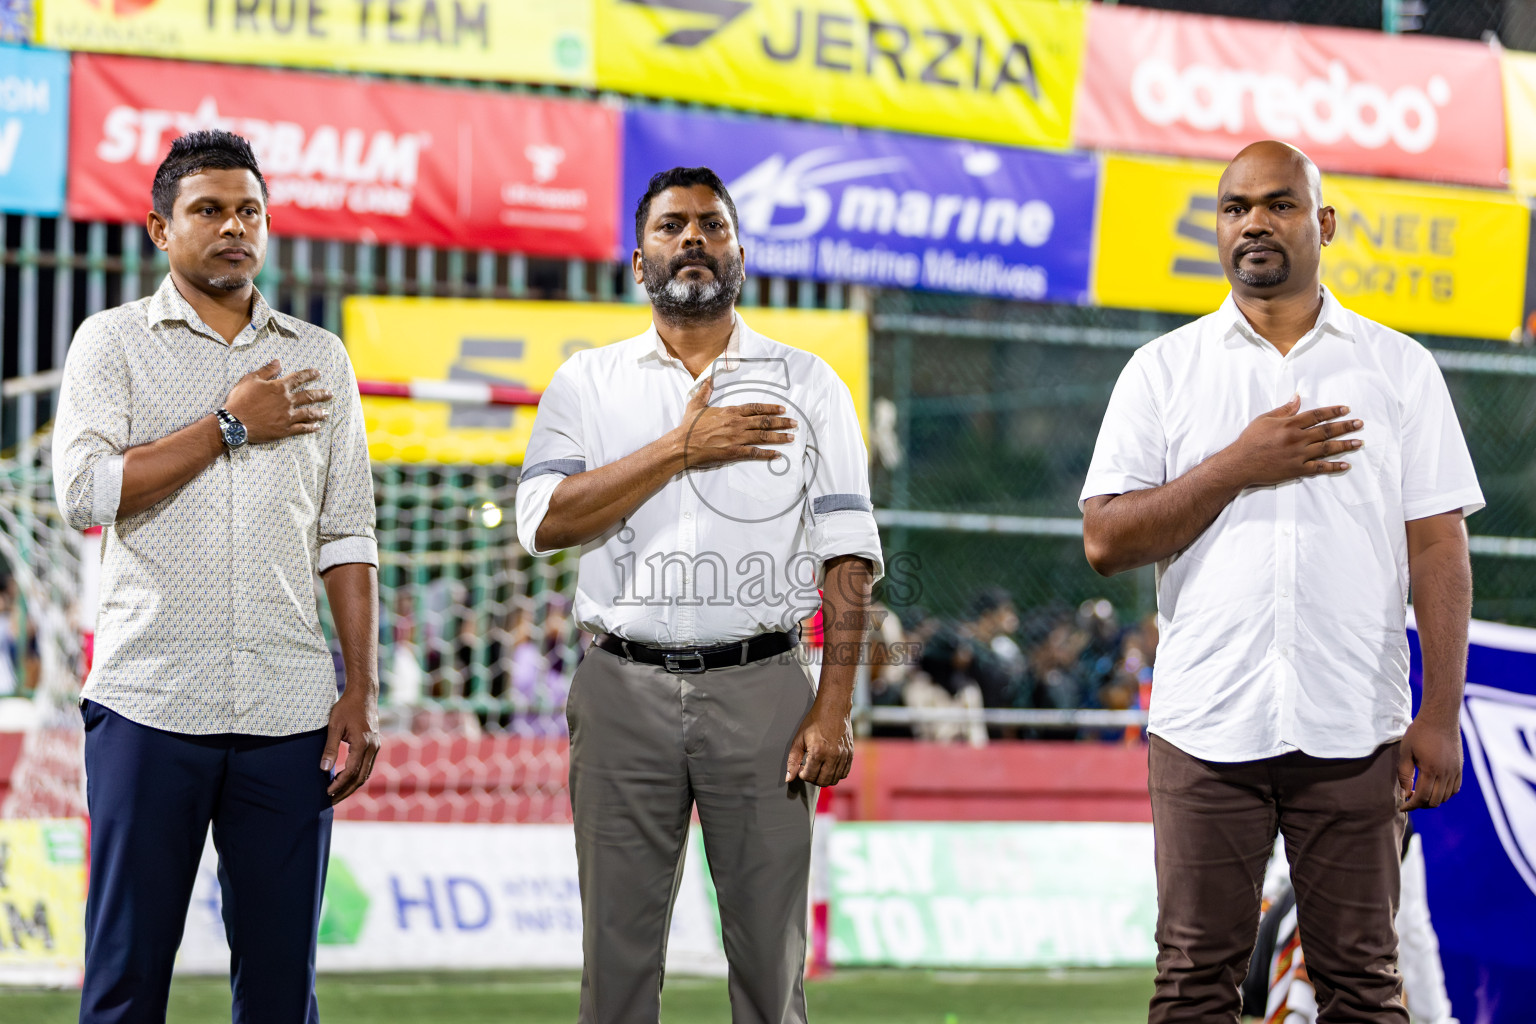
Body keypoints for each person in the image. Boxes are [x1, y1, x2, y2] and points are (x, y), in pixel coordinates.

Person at [1080, 140, 1482, 1023]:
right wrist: (1238, 465)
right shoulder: (1163, 370)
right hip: (1205, 731)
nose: (1254, 222)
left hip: (1356, 730)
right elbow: (1106, 539)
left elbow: (1439, 553)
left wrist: (1440, 716)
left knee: (1365, 990)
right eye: (1234, 208)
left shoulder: (1399, 368)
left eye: (1279, 204)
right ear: (1218, 231)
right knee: (1192, 984)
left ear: (1324, 223)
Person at [514, 165, 881, 1024]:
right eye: (671, 226)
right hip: (619, 687)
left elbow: (849, 556)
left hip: (766, 692)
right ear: (638, 262)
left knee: (769, 966)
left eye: (711, 226)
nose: (692, 240)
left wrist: (833, 707)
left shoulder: (810, 383)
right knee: (616, 965)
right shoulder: (587, 383)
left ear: (740, 253)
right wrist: (679, 447)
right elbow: (542, 522)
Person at [53, 129, 380, 1024]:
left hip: (289, 714)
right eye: (208, 210)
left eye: (249, 210)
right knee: (124, 985)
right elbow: (84, 494)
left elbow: (348, 532)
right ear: (160, 229)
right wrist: (228, 425)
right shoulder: (110, 343)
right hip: (148, 703)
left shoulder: (321, 357)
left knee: (281, 994)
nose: (233, 226)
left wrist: (361, 687)